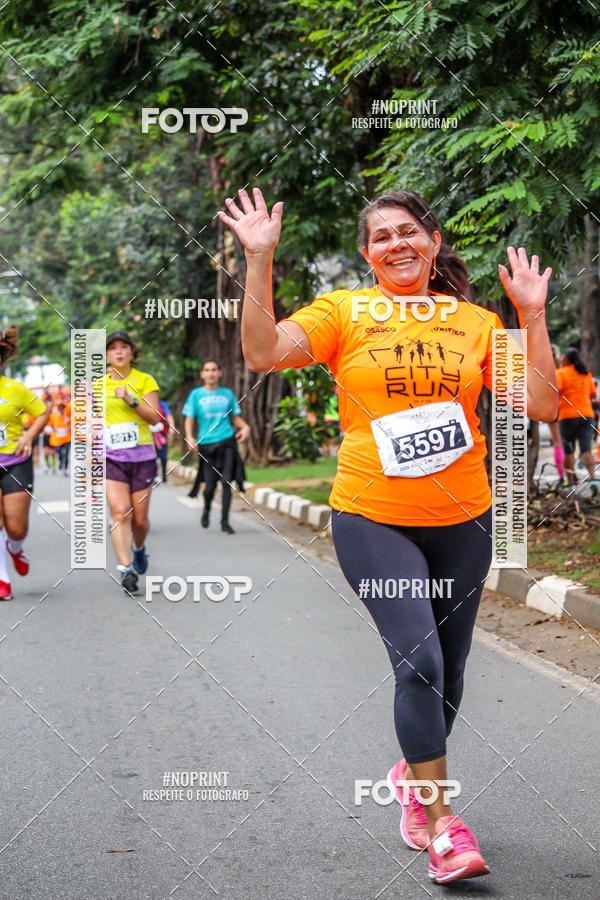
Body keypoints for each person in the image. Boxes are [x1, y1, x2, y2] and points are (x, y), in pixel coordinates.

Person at [218, 186, 558, 884]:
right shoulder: (345, 311)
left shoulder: (476, 323)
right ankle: (443, 827)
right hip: (371, 516)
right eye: (381, 237)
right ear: (367, 254)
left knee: (452, 675)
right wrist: (260, 259)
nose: (397, 244)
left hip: (463, 521)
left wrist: (531, 314)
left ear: (433, 242)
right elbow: (261, 352)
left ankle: (412, 777)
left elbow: (543, 402)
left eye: (409, 231)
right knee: (420, 666)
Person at [100, 331, 161, 593]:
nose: (118, 352)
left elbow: (155, 417)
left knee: (139, 520)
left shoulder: (145, 380)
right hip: (111, 457)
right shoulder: (96, 386)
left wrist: (130, 399)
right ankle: (126, 569)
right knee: (119, 511)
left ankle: (139, 548)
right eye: (112, 348)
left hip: (143, 457)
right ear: (106, 355)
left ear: (131, 352)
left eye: (123, 346)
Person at [0, 326, 50, 599]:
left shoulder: (14, 389)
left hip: (15, 461)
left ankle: (16, 548)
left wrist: (30, 434)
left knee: (16, 527)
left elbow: (43, 412)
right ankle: (2, 580)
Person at [183, 359, 250, 534]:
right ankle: (206, 509)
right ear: (202, 374)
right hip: (206, 445)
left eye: (214, 370)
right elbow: (189, 419)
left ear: (220, 373)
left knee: (226, 482)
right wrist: (189, 437)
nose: (211, 373)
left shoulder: (227, 394)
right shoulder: (195, 395)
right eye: (207, 370)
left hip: (227, 442)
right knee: (210, 487)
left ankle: (225, 522)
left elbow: (235, 417)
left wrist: (245, 427)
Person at [556, 347, 598, 490]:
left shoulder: (561, 373)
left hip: (568, 416)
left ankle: (571, 482)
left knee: (569, 450)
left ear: (565, 359)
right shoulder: (586, 374)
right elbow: (593, 395)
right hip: (586, 415)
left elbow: (555, 389)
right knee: (586, 449)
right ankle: (593, 479)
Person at [549, 344, 565, 484]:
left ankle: (562, 476)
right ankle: (571, 472)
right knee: (568, 441)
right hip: (565, 407)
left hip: (551, 407)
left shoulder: (544, 369)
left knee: (557, 441)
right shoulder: (561, 370)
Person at [151, 398, 175, 484]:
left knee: (163, 457)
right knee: (153, 456)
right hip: (149, 435)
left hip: (162, 435)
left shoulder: (162, 404)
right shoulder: (144, 403)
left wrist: (172, 427)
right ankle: (155, 475)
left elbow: (168, 415)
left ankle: (164, 474)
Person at [48, 400, 71, 476]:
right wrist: (54, 428)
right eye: (60, 407)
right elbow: (50, 425)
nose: (62, 409)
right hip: (57, 438)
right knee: (59, 452)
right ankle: (61, 461)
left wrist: (68, 425)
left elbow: (72, 426)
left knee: (66, 454)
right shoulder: (54, 416)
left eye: (63, 407)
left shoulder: (68, 416)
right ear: (58, 408)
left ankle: (65, 469)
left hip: (67, 437)